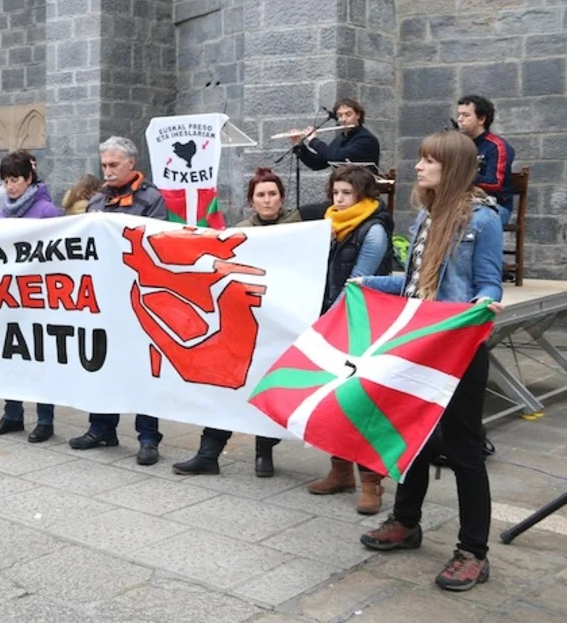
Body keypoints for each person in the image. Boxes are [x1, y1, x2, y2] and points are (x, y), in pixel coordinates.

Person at [357, 130, 504, 592]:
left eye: (429, 161)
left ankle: (473, 551)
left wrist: (484, 303)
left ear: (452, 168)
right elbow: (416, 283)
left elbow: (489, 281)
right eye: (421, 159)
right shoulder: (427, 215)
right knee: (413, 437)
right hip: (418, 344)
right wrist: (368, 284)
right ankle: (406, 522)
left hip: (458, 348)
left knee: (464, 450)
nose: (418, 167)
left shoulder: (484, 219)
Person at [172, 168, 298, 479]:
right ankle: (209, 453)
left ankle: (264, 452)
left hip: (281, 322)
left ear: (281, 198)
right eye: (261, 195)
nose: (267, 200)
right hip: (243, 319)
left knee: (270, 386)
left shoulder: (299, 230)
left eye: (272, 194)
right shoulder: (240, 232)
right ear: (251, 201)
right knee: (227, 384)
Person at [69, 136, 167, 466]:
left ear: (131, 163)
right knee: (102, 362)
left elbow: (157, 244)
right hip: (103, 298)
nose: (107, 171)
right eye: (104, 165)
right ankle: (101, 428)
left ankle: (148, 438)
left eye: (113, 165)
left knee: (143, 367)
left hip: (139, 297)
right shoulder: (97, 200)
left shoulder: (152, 199)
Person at [307, 164, 395, 514]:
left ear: (363, 194)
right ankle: (340, 471)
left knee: (362, 404)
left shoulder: (373, 231)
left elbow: (357, 283)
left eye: (347, 193)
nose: (339, 199)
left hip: (361, 323)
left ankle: (372, 482)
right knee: (334, 400)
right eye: (336, 192)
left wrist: (328, 324)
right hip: (332, 318)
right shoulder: (333, 224)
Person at [0, 151, 63, 442]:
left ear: (29, 178)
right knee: (10, 356)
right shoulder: (3, 213)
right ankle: (12, 413)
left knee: (40, 358)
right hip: (9, 296)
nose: (9, 186)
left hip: (38, 296)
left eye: (15, 180)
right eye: (5, 181)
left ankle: (45, 419)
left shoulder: (46, 211)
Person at [456, 95, 515, 225]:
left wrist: (461, 176)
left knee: (463, 216)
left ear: (481, 119)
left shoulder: (496, 146)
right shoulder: (457, 145)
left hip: (494, 206)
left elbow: (495, 183)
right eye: (459, 114)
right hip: (461, 203)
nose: (459, 119)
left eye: (466, 115)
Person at [289, 98, 381, 171]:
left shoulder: (366, 139)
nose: (343, 119)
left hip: (363, 187)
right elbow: (318, 163)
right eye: (340, 115)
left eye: (348, 114)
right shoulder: (341, 138)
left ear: (358, 115)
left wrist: (314, 141)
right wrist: (299, 144)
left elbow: (337, 157)